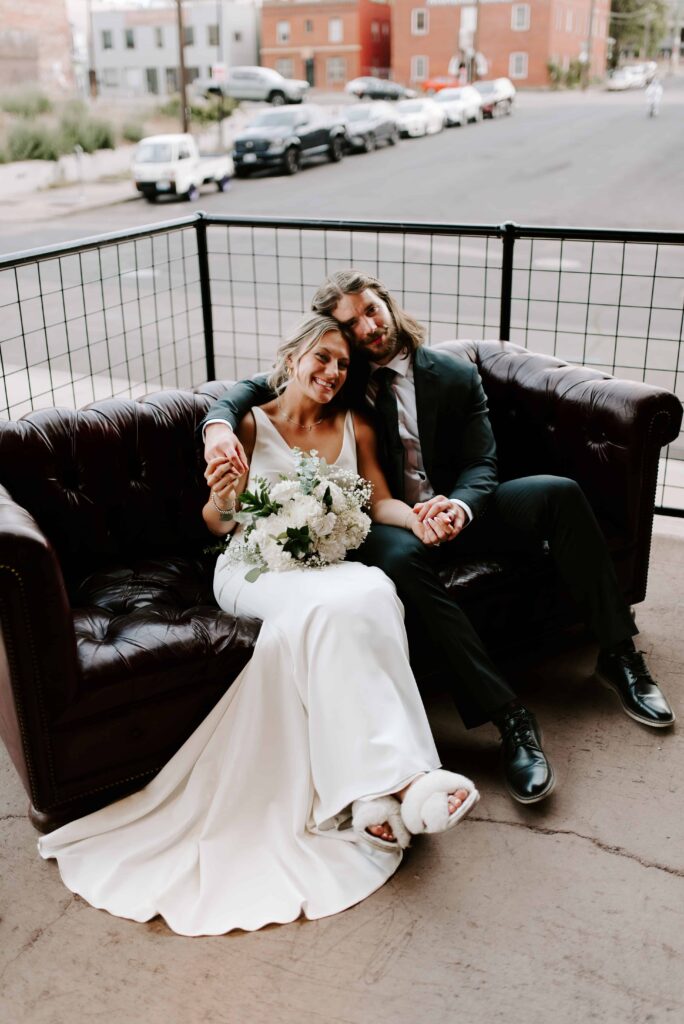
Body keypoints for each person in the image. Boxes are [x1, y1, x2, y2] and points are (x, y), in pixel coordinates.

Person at [37, 313, 479, 937]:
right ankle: (405, 782)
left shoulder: (354, 424)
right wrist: (226, 495)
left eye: (343, 365)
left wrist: (421, 520)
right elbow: (216, 522)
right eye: (321, 358)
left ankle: (375, 795)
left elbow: (378, 500)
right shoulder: (245, 421)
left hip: (323, 566)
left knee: (376, 588)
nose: (331, 373)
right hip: (250, 566)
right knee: (331, 609)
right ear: (294, 356)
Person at [202, 270, 675, 806]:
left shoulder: (451, 372)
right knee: (400, 557)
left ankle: (619, 653)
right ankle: (510, 719)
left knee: (558, 492)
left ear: (388, 303)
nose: (368, 325)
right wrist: (216, 423)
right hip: (387, 524)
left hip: (457, 508)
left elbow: (482, 461)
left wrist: (461, 508)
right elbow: (259, 388)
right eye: (350, 324)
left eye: (371, 309)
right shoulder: (341, 380)